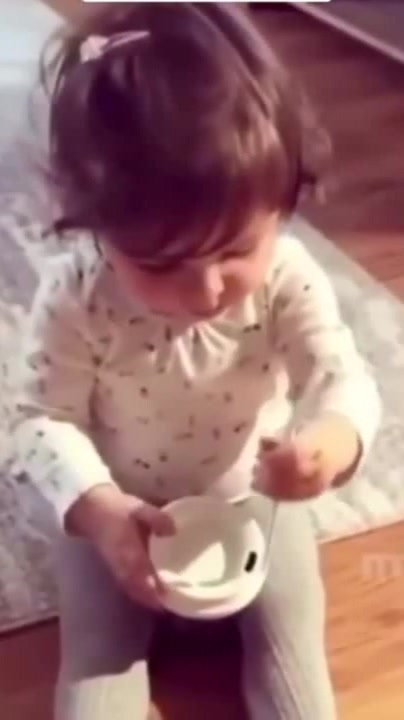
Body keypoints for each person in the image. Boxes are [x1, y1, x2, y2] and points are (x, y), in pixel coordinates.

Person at [14, 4, 380, 719]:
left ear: (283, 204)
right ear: (95, 227)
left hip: (252, 502)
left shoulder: (286, 279)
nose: (207, 292)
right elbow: (38, 422)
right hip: (119, 512)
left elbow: (343, 375)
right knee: (97, 667)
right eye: (161, 264)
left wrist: (326, 447)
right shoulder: (77, 297)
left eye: (236, 250)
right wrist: (101, 512)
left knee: (294, 652)